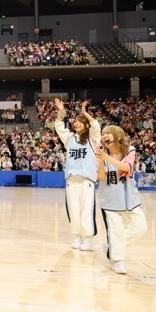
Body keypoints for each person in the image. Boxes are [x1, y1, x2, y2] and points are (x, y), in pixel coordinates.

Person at [96, 125, 147, 275]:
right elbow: (100, 177)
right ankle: (117, 260)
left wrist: (106, 158)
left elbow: (126, 168)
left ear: (118, 136)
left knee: (140, 228)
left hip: (130, 198)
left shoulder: (130, 150)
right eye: (103, 133)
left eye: (108, 133)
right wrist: (100, 160)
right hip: (110, 200)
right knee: (116, 231)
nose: (104, 136)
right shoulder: (101, 154)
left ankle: (112, 246)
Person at [53, 98, 100, 251]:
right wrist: (60, 111)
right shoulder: (70, 139)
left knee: (86, 210)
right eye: (75, 122)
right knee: (73, 209)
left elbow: (95, 125)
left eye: (79, 121)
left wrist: (85, 112)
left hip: (87, 180)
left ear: (85, 124)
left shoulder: (93, 140)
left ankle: (88, 239)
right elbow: (59, 126)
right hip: (71, 180)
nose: (76, 123)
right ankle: (77, 236)